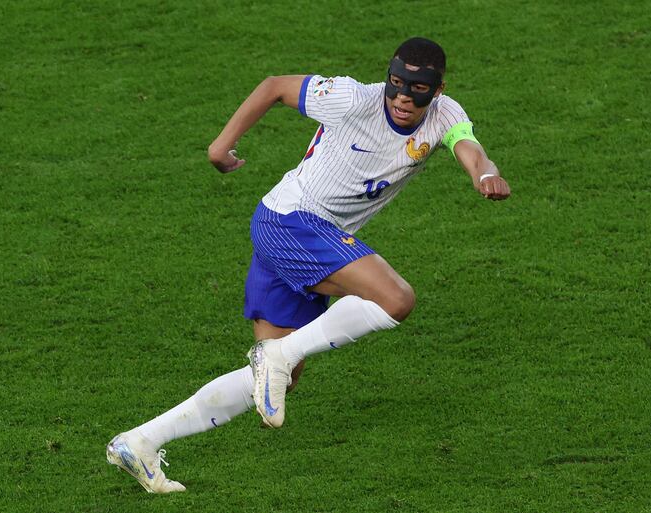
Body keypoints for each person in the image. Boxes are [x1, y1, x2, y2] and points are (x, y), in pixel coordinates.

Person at [106, 37, 510, 493]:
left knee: (281, 380)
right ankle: (277, 353)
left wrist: (485, 174)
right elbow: (275, 86)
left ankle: (140, 442)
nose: (401, 97)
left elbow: (471, 149)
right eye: (396, 84)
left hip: (299, 238)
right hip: (290, 221)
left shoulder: (446, 115)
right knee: (395, 298)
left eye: (416, 90)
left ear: (436, 90)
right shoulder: (352, 98)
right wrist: (220, 146)